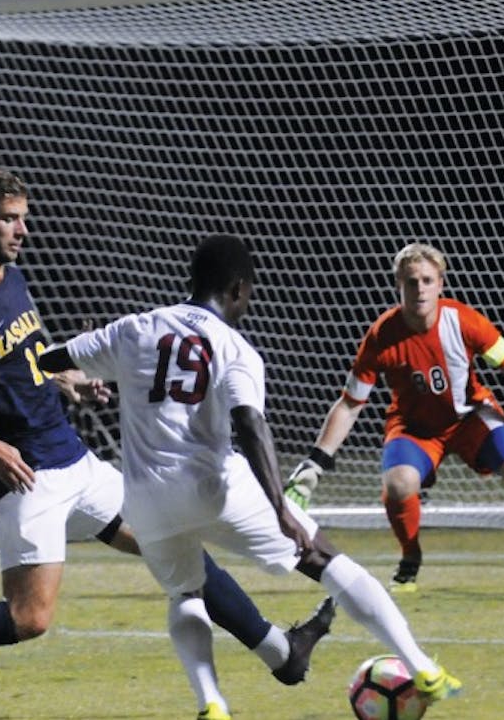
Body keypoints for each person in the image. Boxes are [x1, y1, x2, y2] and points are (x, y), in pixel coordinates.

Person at [0, 169, 333, 720]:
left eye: (23, 218)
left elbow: (24, 358)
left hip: (77, 461)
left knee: (175, 544)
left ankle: (282, 653)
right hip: (30, 478)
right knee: (28, 619)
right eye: (8, 219)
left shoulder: (11, 280)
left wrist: (69, 381)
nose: (22, 230)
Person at [38, 235, 463, 720]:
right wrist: (281, 507)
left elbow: (51, 359)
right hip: (215, 486)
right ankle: (421, 666)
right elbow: (249, 422)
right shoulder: (235, 347)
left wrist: (79, 372)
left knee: (185, 593)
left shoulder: (135, 327)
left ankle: (212, 703)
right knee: (324, 558)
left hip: (146, 498)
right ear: (238, 288)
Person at [282, 242, 504, 592]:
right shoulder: (381, 335)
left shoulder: (464, 321)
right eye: (411, 281)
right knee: (398, 483)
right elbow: (350, 404)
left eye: (427, 280)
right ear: (398, 285)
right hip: (414, 428)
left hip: (469, 418)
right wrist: (316, 461)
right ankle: (410, 557)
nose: (420, 289)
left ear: (440, 284)